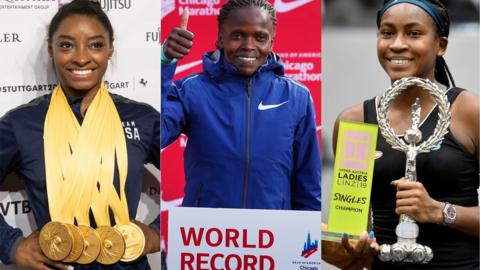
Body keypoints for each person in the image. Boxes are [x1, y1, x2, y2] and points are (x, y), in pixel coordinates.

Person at [0, 0, 160, 269]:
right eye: (66, 45)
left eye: (96, 44)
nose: (81, 57)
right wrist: (12, 245)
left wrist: (158, 232)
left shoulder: (141, 119)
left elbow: (197, 179)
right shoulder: (22, 124)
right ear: (51, 49)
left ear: (111, 49)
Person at [324, 0, 479, 269]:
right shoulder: (355, 121)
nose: (397, 44)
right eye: (387, 32)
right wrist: (351, 244)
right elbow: (350, 229)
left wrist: (441, 212)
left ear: (440, 45)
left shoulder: (469, 112)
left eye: (413, 33)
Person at [161, 0, 321, 210]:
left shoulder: (296, 97)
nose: (248, 45)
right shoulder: (192, 91)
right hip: (205, 235)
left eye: (260, 37)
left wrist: (305, 235)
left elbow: (308, 184)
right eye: (237, 35)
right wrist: (165, 61)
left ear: (272, 42)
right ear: (220, 39)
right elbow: (158, 133)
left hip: (273, 235)